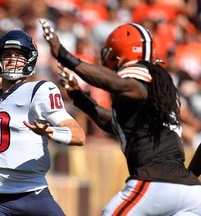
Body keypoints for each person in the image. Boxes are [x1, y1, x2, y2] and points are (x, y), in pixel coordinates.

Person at [39, 19, 201, 215]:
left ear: (117, 55)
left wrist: (66, 57)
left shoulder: (139, 74)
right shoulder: (158, 88)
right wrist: (79, 97)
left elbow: (120, 84)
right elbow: (114, 124)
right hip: (190, 192)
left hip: (154, 182)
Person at [0, 29, 85, 216]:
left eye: (19, 55)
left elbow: (78, 135)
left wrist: (52, 132)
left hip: (34, 194)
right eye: (7, 55)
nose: (12, 60)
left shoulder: (39, 90)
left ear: (30, 60)